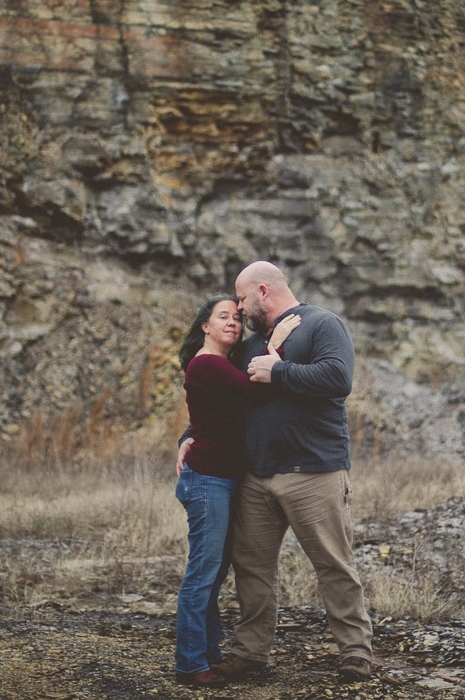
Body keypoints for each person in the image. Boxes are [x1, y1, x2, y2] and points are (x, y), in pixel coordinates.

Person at [212, 260, 376, 684]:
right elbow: (226, 400)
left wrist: (278, 370)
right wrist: (190, 438)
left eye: (243, 298)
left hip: (314, 472)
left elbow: (339, 379)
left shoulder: (322, 324)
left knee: (334, 565)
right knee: (251, 568)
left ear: (263, 291)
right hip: (257, 475)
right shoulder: (251, 344)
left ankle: (355, 653)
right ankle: (250, 653)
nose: (240, 307)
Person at [172, 294, 300, 688]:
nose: (232, 322)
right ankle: (190, 664)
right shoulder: (208, 363)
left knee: (214, 572)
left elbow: (216, 417)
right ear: (205, 328)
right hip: (207, 480)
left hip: (222, 480)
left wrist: (188, 436)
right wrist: (277, 341)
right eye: (221, 317)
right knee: (203, 574)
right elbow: (254, 390)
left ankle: (207, 651)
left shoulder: (218, 366)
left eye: (235, 317)